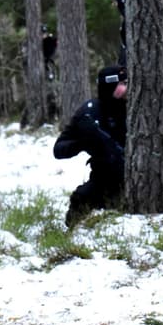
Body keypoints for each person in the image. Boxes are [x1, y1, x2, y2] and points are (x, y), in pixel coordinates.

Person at [53, 65, 128, 228]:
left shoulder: (135, 109)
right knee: (81, 200)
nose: (126, 89)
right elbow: (58, 149)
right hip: (102, 179)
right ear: (109, 86)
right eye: (122, 84)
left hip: (133, 179)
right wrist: (83, 142)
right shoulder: (89, 113)